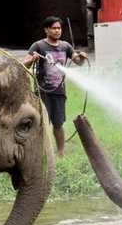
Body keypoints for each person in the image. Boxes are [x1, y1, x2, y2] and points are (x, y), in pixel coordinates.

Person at [22, 16, 87, 157]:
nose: (57, 31)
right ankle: (42, 153)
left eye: (59, 28)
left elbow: (78, 62)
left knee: (58, 123)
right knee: (42, 124)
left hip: (59, 91)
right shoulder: (38, 46)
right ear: (46, 30)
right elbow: (24, 64)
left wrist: (82, 57)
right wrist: (33, 59)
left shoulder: (66, 46)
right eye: (54, 28)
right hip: (42, 91)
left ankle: (61, 153)